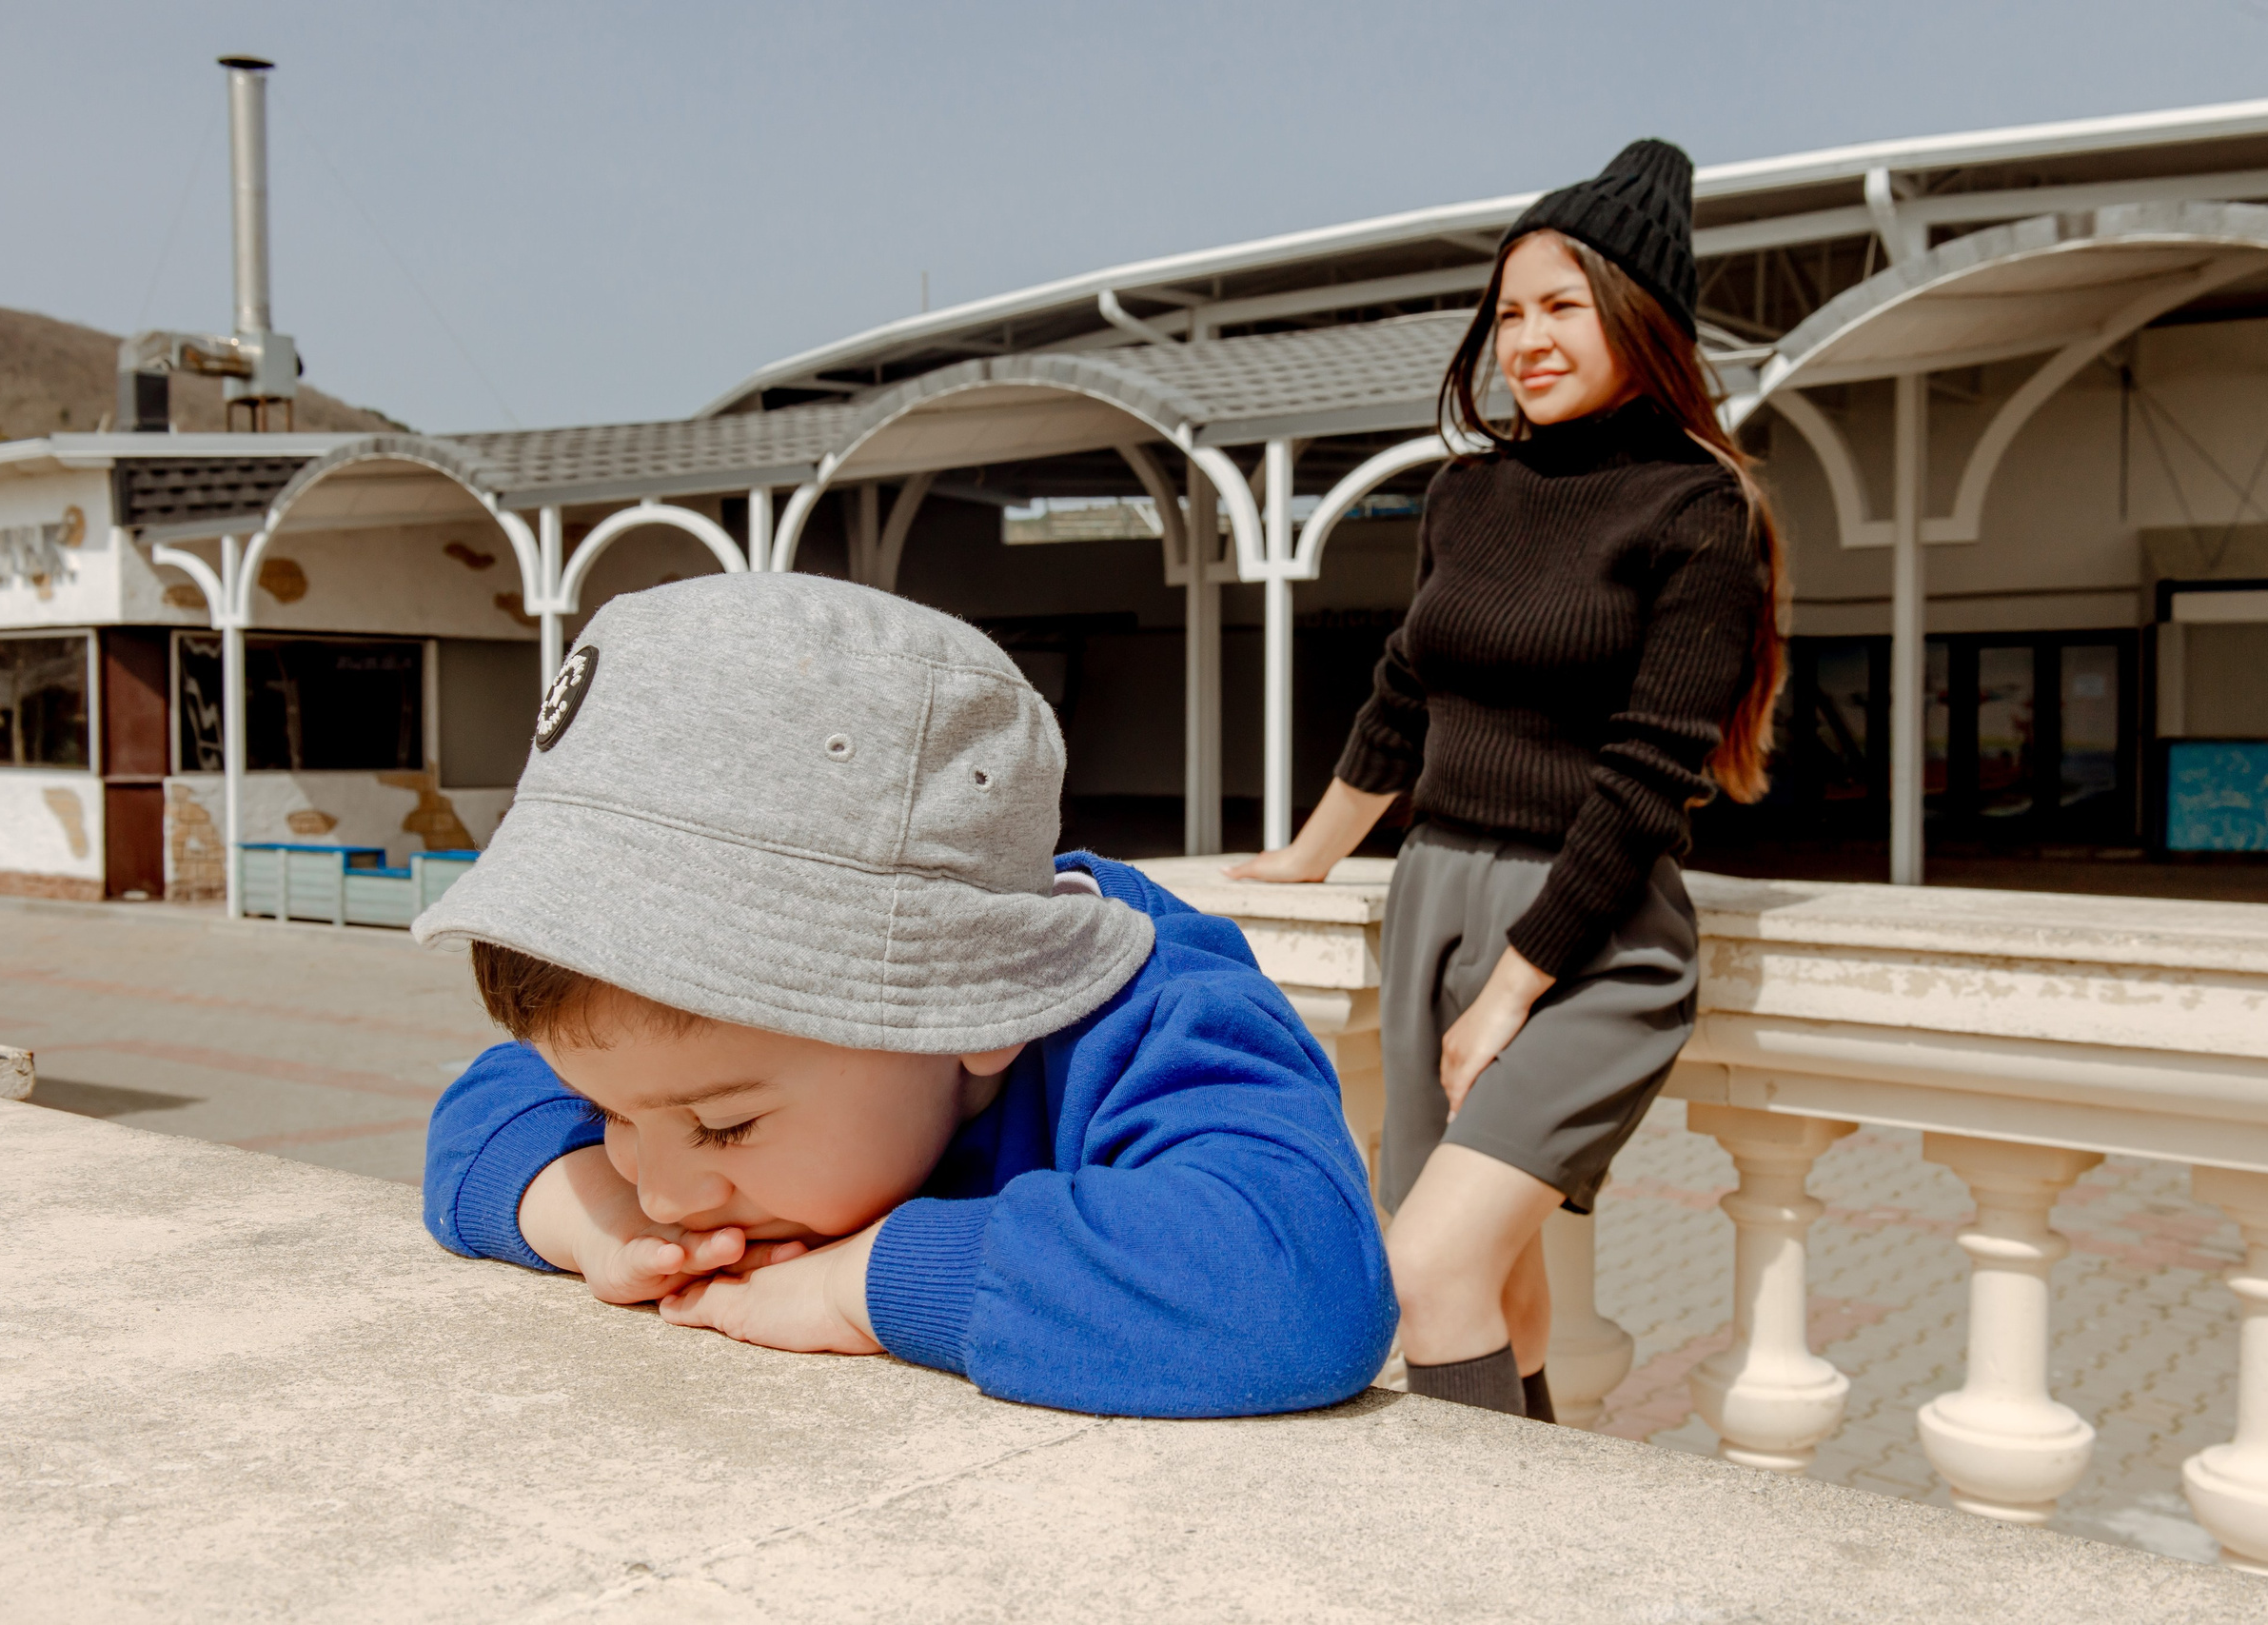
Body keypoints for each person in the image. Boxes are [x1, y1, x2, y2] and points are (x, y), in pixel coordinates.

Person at [417, 572, 1395, 1418]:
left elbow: (1297, 1279)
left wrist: (866, 1284)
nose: (662, 1190)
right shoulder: (690, 1070)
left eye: (722, 1127)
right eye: (607, 1111)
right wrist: (587, 1213)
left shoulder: (1153, 1018)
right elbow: (480, 1111)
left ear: (980, 1009)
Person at [1227, 139, 1786, 1420]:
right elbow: (1405, 691)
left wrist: (1515, 985)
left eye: (1562, 306)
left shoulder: (1701, 510)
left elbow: (1651, 777)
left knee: (1425, 1265)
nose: (1525, 339)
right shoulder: (1469, 494)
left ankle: (1470, 1566)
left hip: (1590, 935)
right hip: (1436, 903)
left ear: (1639, 319)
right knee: (1499, 1290)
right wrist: (1312, 857)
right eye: (1510, 312)